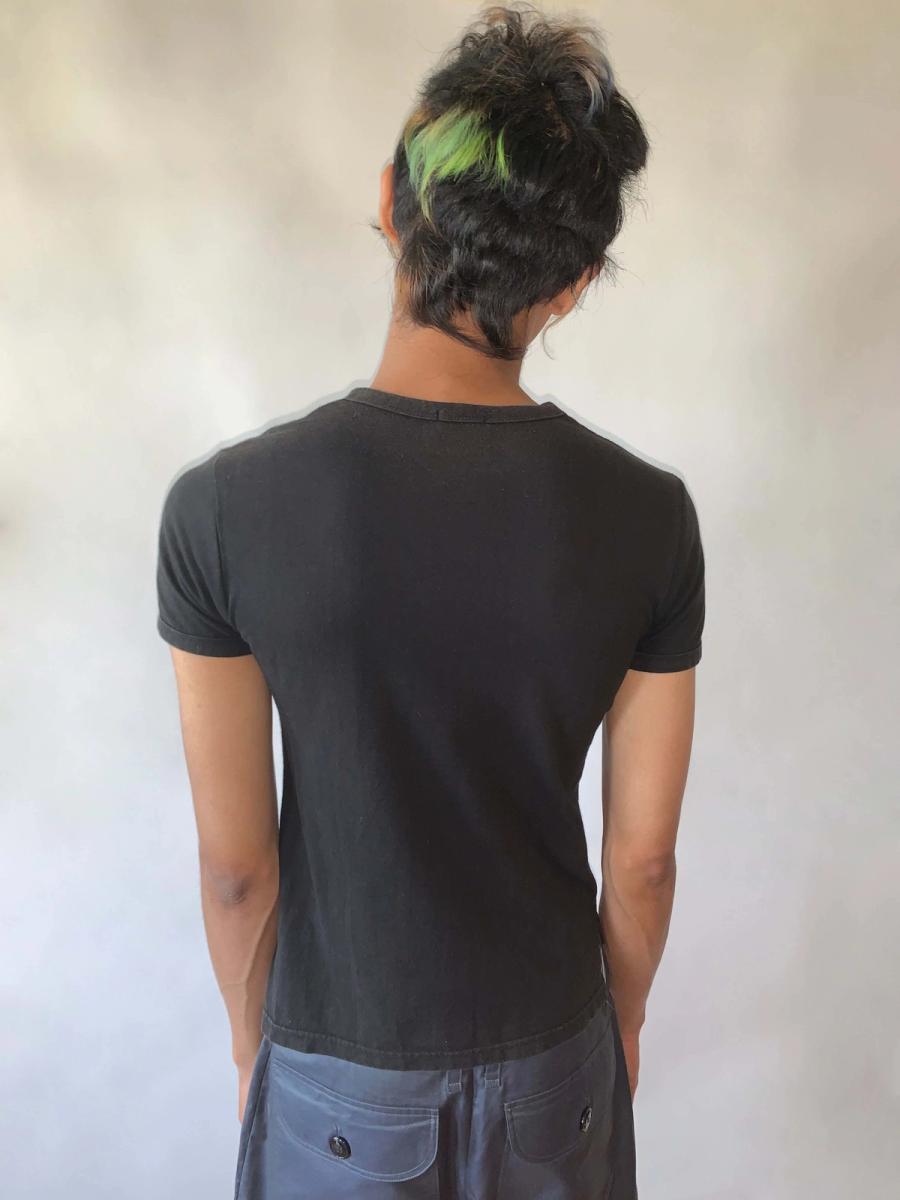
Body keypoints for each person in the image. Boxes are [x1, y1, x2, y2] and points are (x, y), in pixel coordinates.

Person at [155, 5, 705, 1198]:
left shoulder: (222, 511)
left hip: (338, 1071)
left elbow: (237, 868)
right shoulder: (650, 516)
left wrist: (256, 1052)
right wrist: (620, 1023)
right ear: (573, 287)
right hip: (555, 1056)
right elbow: (644, 859)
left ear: (391, 200)